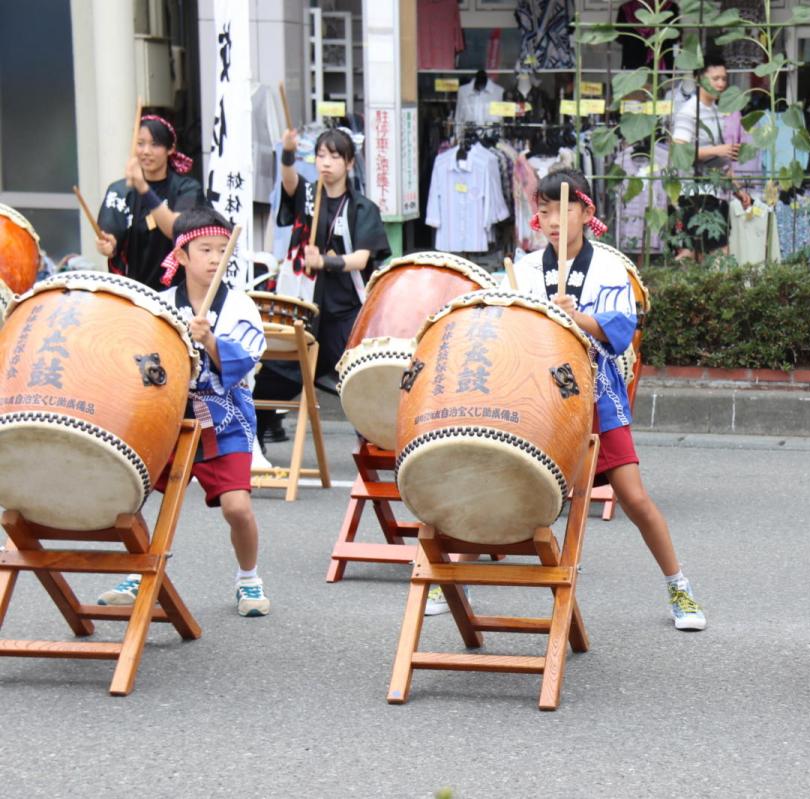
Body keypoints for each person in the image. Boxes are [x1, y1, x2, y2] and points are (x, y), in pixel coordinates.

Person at [426, 168, 707, 631]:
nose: (554, 219)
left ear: (586, 212)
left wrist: (581, 318)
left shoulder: (608, 267)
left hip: (595, 387)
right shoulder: (527, 267)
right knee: (501, 479)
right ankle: (451, 577)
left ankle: (679, 585)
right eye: (545, 209)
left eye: (564, 208)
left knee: (633, 496)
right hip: (535, 393)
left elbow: (622, 328)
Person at [98, 207, 271, 617]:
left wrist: (210, 341)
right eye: (205, 249)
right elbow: (141, 361)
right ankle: (137, 571)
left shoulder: (241, 307)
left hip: (224, 417)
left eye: (221, 250)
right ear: (182, 255)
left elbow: (246, 361)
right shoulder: (159, 305)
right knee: (134, 496)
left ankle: (249, 579)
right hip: (170, 416)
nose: (214, 258)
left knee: (237, 508)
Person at [255, 127, 391, 444]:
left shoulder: (361, 207)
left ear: (349, 163)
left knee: (358, 377)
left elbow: (360, 259)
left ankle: (371, 444)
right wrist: (287, 154)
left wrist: (327, 262)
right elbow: (289, 181)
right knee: (273, 370)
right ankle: (259, 434)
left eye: (334, 156)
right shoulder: (308, 197)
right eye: (320, 155)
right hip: (303, 308)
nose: (326, 162)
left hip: (345, 311)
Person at [96, 115, 203, 289]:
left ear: (170, 149)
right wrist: (107, 245)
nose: (146, 151)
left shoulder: (187, 188)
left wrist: (143, 188)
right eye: (140, 143)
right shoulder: (120, 191)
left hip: (178, 291)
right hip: (132, 293)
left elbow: (176, 230)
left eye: (155, 144)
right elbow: (110, 238)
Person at [670, 51, 752, 261]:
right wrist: (718, 150)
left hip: (716, 193)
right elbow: (679, 152)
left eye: (724, 78)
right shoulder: (689, 111)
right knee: (712, 256)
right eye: (715, 78)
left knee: (704, 256)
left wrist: (738, 190)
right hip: (695, 193)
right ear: (699, 79)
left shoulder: (717, 110)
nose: (721, 83)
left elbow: (721, 162)